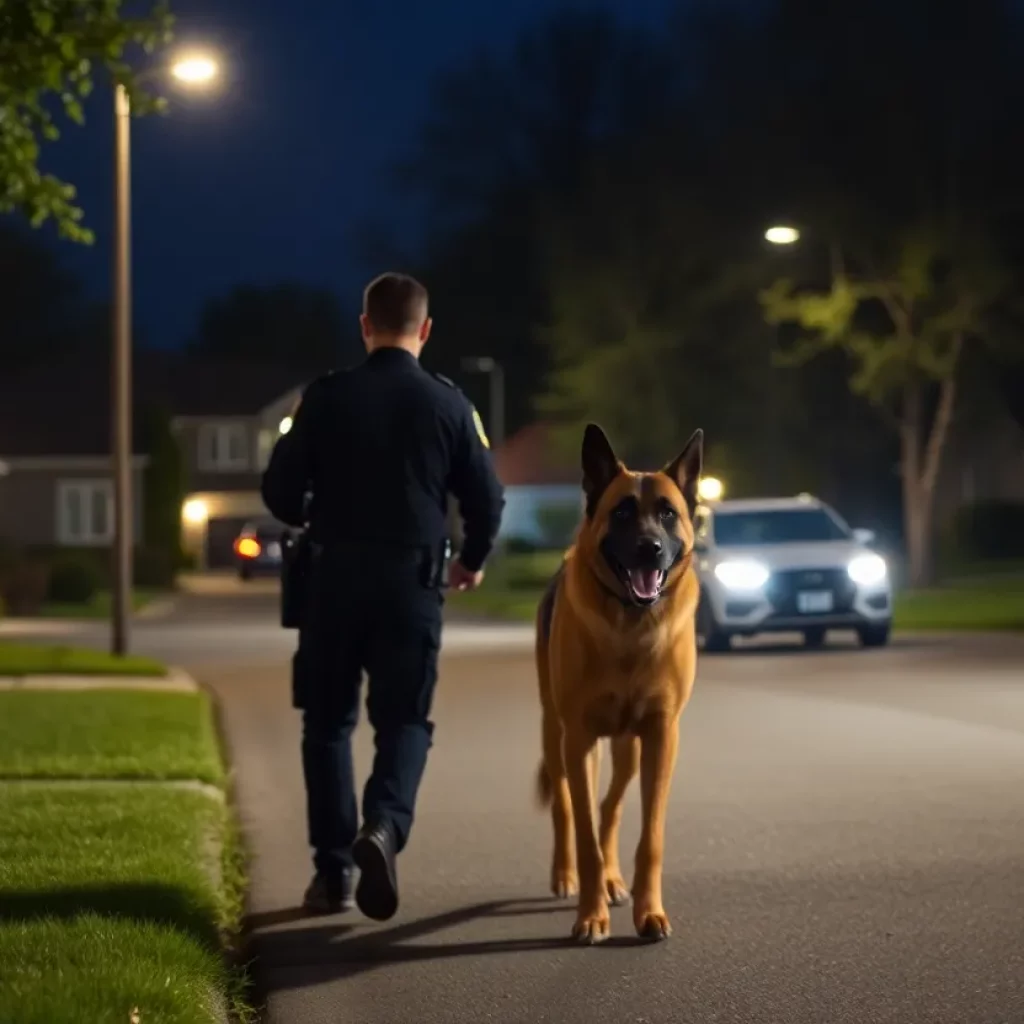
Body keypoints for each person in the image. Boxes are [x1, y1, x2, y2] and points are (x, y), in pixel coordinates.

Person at [261, 272, 505, 922]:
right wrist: (473, 560)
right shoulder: (450, 406)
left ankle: (332, 873)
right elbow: (488, 498)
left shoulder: (326, 397)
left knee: (328, 725)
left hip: (333, 582)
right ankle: (385, 828)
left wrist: (316, 506)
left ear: (365, 326)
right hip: (412, 584)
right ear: (424, 330)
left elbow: (280, 493)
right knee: (403, 722)